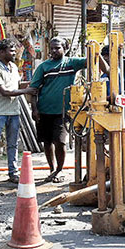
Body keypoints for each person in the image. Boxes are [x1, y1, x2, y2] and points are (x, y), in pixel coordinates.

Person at [30, 37, 107, 183]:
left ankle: (59, 169)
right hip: (44, 110)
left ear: (65, 48)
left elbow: (94, 61)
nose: (53, 51)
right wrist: (34, 109)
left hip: (63, 111)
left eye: (57, 48)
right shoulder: (43, 67)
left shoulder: (72, 63)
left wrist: (96, 51)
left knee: (60, 141)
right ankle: (52, 169)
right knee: (47, 142)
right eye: (51, 48)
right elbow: (33, 89)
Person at [0, 39, 35, 188]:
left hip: (13, 111)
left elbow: (16, 86)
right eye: (11, 50)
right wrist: (27, 90)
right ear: (2, 52)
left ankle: (13, 173)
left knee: (13, 144)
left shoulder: (14, 68)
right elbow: (5, 92)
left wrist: (33, 83)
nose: (14, 53)